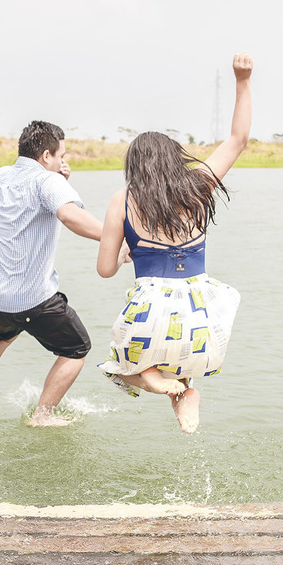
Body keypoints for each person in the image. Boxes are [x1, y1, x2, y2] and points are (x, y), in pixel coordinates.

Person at [95, 52, 253, 434]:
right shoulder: (198, 186)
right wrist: (243, 80)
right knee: (180, 346)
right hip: (204, 315)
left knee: (118, 363)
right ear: (174, 160)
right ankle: (185, 394)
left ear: (135, 167)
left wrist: (125, 253)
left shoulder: (123, 199)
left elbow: (104, 270)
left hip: (151, 310)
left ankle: (152, 379)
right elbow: (238, 139)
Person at [0, 120, 107, 426]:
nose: (63, 162)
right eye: (60, 156)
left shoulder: (1, 176)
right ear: (46, 156)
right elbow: (70, 215)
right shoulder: (48, 182)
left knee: (1, 334)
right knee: (76, 348)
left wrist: (58, 177)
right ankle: (42, 416)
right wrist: (114, 239)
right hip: (31, 300)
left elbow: (32, 199)